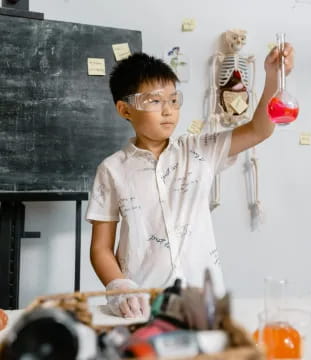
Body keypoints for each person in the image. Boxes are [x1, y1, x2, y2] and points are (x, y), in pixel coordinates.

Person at [86, 46, 294, 318]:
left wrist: (272, 78)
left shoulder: (200, 150)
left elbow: (259, 129)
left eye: (174, 100)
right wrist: (120, 287)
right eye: (155, 101)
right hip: (144, 307)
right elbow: (101, 248)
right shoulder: (112, 169)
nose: (168, 111)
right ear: (125, 109)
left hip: (204, 304)